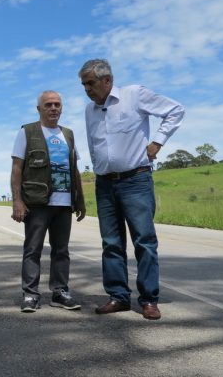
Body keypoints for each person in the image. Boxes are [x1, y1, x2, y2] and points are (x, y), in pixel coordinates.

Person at [78, 59, 185, 320]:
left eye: (90, 83)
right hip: (104, 183)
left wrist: (157, 142)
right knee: (111, 243)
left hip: (135, 180)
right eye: (83, 85)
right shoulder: (90, 110)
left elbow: (175, 110)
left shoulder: (134, 95)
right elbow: (94, 144)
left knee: (144, 241)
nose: (87, 89)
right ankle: (118, 296)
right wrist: (99, 168)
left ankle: (149, 299)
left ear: (107, 80)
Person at [10, 90, 86, 313]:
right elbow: (17, 168)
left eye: (57, 104)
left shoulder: (68, 134)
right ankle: (30, 294)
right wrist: (17, 201)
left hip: (64, 204)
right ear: (39, 109)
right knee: (32, 249)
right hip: (37, 203)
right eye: (48, 105)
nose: (53, 108)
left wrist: (79, 200)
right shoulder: (27, 132)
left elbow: (75, 169)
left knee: (61, 250)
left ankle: (60, 292)